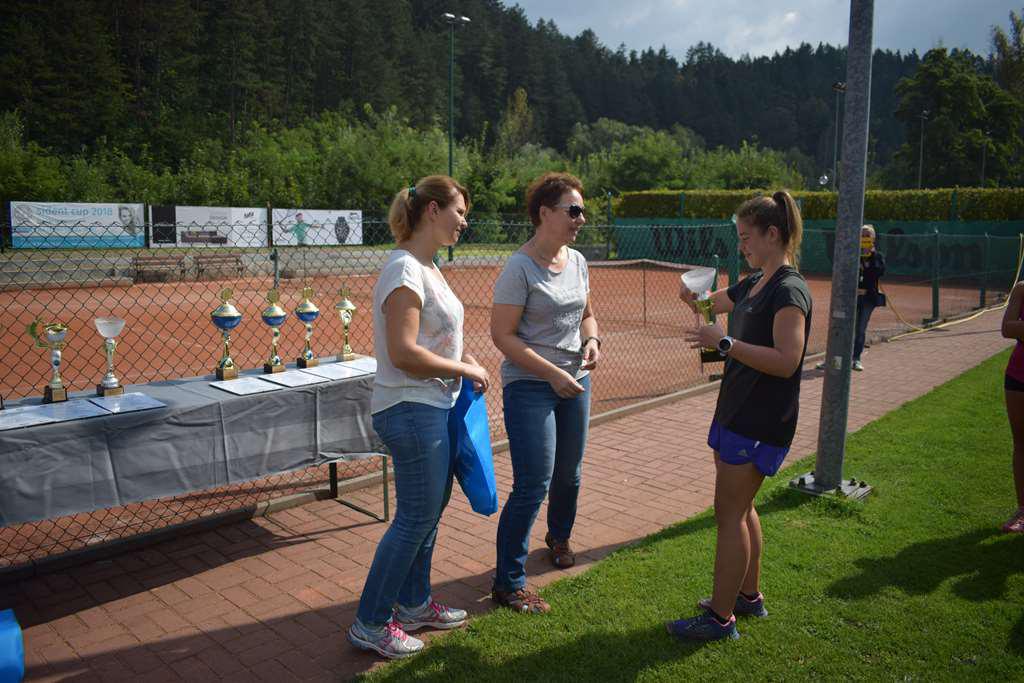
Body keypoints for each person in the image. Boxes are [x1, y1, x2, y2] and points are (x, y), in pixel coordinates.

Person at [347, 176, 490, 659]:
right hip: (409, 408)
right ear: (432, 210)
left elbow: (434, 340)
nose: (464, 222)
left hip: (432, 406)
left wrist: (462, 364)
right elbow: (404, 353)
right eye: (459, 212)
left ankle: (413, 605)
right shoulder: (404, 269)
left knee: (428, 512)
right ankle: (370, 623)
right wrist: (464, 369)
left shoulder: (427, 267)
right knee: (414, 518)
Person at [669, 190, 811, 641]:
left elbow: (787, 360)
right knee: (742, 509)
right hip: (736, 411)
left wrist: (725, 343)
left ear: (773, 234)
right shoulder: (754, 283)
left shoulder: (789, 290)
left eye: (747, 237)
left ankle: (720, 619)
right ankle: (748, 597)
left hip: (759, 420)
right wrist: (693, 297)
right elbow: (709, 306)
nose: (742, 245)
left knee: (729, 514)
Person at [490, 172, 601, 614]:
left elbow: (588, 314)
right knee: (533, 481)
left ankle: (559, 536)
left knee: (569, 473)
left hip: (576, 380)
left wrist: (592, 340)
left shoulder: (577, 261)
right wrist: (552, 373)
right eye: (573, 210)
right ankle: (509, 582)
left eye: (582, 211)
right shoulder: (519, 268)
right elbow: (502, 335)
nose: (581, 218)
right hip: (530, 385)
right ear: (544, 213)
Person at [1001, 280, 1024, 533]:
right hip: (1018, 376)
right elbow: (1007, 328)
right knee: (1021, 444)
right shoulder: (1022, 289)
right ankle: (1022, 509)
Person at [853, 225, 886, 370]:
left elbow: (879, 272)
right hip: (851, 298)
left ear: (873, 238)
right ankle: (835, 356)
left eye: (867, 235)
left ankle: (856, 358)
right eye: (862, 235)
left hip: (868, 299)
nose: (864, 238)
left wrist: (870, 256)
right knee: (844, 327)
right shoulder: (853, 254)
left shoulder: (877, 257)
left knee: (860, 329)